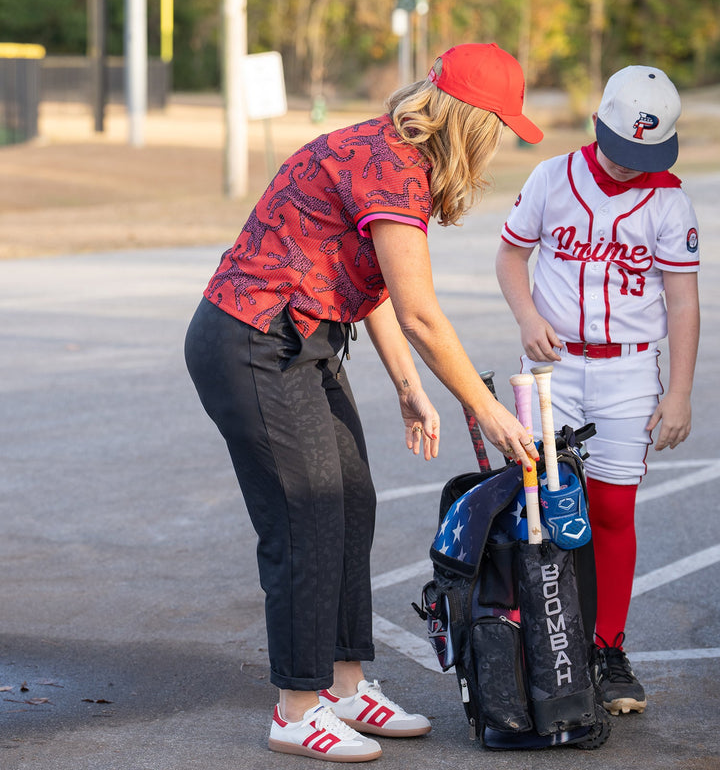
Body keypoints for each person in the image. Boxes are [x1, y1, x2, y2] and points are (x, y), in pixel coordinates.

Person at [184, 43, 543, 763]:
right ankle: (296, 708)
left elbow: (378, 290)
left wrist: (410, 387)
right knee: (307, 513)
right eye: (499, 125)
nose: (500, 140)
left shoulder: (394, 156)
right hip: (252, 339)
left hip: (306, 336)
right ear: (469, 121)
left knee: (352, 499)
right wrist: (487, 410)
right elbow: (421, 313)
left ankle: (346, 689)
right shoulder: (391, 167)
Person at [495, 65, 700, 717]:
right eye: (621, 149)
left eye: (645, 154)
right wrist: (528, 319)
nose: (628, 166)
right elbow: (510, 255)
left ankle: (607, 652)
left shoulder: (669, 200)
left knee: (611, 511)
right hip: (555, 369)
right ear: (597, 124)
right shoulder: (551, 178)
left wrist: (681, 393)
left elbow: (685, 302)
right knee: (544, 509)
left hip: (629, 371)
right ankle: (544, 646)